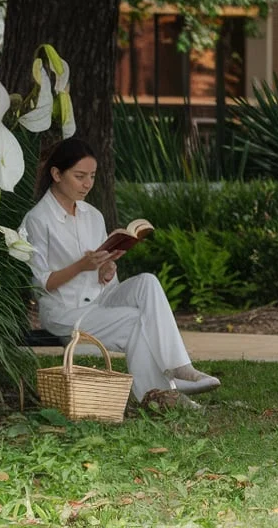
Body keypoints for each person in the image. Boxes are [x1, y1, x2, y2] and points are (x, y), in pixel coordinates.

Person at [20, 137, 220, 407]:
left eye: (91, 176)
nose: (87, 184)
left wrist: (106, 268)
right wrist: (81, 265)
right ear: (56, 174)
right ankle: (163, 394)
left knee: (147, 282)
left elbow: (103, 273)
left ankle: (177, 370)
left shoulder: (93, 215)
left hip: (101, 299)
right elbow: (43, 283)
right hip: (65, 311)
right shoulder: (38, 219)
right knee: (134, 321)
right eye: (80, 176)